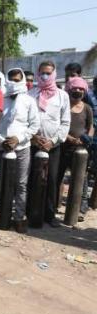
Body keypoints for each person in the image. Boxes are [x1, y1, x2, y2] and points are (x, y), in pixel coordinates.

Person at [0, 68, 39, 233]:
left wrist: (18, 139)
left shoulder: (29, 101)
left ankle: (19, 217)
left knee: (21, 184)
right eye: (11, 79)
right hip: (2, 148)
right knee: (4, 183)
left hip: (22, 148)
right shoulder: (0, 99)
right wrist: (1, 140)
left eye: (17, 79)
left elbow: (34, 125)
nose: (14, 82)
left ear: (22, 80)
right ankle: (3, 215)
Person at [29, 60, 71, 227]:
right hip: (33, 143)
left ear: (54, 74)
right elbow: (25, 119)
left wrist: (53, 141)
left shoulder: (63, 96)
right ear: (38, 74)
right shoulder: (31, 94)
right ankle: (30, 211)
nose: (45, 76)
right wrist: (33, 137)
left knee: (52, 179)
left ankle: (49, 214)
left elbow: (65, 123)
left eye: (48, 73)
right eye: (42, 73)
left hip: (53, 146)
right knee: (32, 177)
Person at [56, 76, 94, 221]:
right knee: (57, 177)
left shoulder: (87, 108)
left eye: (81, 89)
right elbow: (59, 125)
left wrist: (86, 138)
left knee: (81, 179)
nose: (77, 91)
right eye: (75, 89)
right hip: (63, 147)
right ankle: (54, 205)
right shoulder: (64, 107)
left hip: (80, 150)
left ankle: (79, 208)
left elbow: (90, 126)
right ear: (69, 90)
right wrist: (69, 138)